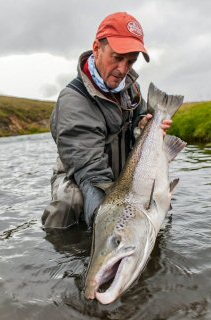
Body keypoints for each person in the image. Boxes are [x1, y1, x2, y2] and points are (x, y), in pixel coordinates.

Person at [42, 12, 172, 230]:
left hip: (122, 174)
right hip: (82, 175)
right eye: (117, 57)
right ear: (97, 48)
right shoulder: (73, 100)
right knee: (69, 204)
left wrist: (142, 128)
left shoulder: (131, 88)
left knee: (159, 200)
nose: (123, 70)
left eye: (130, 61)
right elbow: (89, 171)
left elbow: (137, 120)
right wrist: (109, 227)